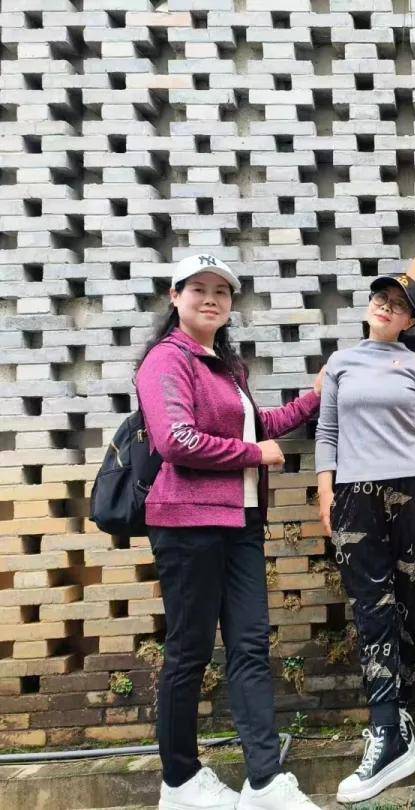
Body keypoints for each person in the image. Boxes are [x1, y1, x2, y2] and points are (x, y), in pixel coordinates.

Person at [136, 254, 322, 810]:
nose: (211, 299)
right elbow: (176, 440)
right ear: (175, 297)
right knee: (189, 652)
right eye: (198, 289)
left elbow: (259, 427)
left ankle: (264, 781)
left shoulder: (226, 367)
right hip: (188, 525)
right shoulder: (167, 360)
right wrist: (253, 455)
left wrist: (315, 397)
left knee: (249, 647)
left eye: (221, 291)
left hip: (241, 524)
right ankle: (180, 781)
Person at [315, 275, 415, 802]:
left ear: (410, 320)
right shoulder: (341, 362)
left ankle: (399, 716)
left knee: (413, 603)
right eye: (381, 299)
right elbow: (327, 432)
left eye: (398, 305)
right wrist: (325, 491)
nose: (386, 307)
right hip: (355, 495)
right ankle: (384, 727)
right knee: (370, 606)